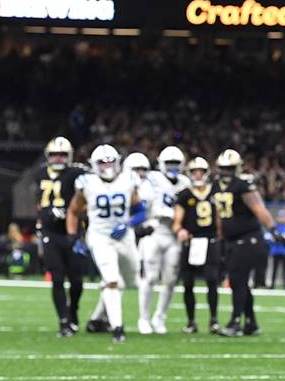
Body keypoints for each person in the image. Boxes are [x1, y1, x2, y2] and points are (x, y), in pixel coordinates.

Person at [66, 144, 145, 343]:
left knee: (131, 281)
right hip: (100, 236)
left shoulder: (128, 179)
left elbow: (140, 211)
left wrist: (128, 224)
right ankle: (117, 327)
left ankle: (96, 319)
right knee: (112, 279)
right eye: (103, 162)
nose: (108, 166)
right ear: (94, 165)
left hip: (124, 236)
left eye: (111, 161)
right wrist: (74, 238)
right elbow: (74, 211)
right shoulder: (87, 182)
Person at [213, 149, 285, 337]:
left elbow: (258, 208)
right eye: (223, 168)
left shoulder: (243, 184)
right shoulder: (216, 186)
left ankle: (236, 321)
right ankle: (251, 322)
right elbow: (220, 215)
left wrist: (273, 229)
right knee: (240, 282)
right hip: (230, 240)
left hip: (248, 238)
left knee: (237, 280)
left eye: (229, 168)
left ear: (237, 168)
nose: (226, 172)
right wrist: (220, 236)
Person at [35, 137, 87, 336]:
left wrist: (70, 211)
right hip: (51, 233)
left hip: (73, 232)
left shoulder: (77, 173)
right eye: (55, 155)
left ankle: (73, 310)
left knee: (76, 281)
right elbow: (38, 202)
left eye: (62, 155)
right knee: (57, 278)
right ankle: (63, 321)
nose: (58, 158)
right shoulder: (39, 173)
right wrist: (42, 218)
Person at [137, 146, 191, 334]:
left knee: (170, 279)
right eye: (169, 163)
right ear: (161, 163)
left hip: (173, 234)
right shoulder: (152, 179)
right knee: (150, 277)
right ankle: (143, 318)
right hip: (155, 230)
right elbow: (143, 203)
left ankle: (159, 316)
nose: (173, 167)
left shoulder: (185, 182)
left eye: (176, 163)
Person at [173, 157, 221, 334]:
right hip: (191, 241)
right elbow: (177, 221)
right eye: (195, 172)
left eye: (201, 171)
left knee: (212, 280)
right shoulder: (185, 195)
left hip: (210, 241)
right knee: (187, 282)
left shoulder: (215, 191)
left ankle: (214, 320)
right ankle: (191, 321)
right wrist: (180, 230)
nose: (198, 175)